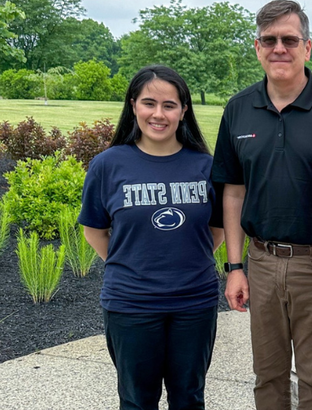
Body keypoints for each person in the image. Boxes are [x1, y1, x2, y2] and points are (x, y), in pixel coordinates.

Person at [210, 0, 312, 409]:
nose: (280, 48)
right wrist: (235, 267)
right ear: (257, 48)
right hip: (260, 261)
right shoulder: (239, 109)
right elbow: (233, 191)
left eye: (290, 39)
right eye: (270, 40)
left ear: (308, 47)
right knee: (268, 374)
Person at [78, 65, 224, 410]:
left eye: (169, 105)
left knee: (188, 399)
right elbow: (94, 230)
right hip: (130, 304)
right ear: (133, 106)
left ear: (183, 110)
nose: (159, 114)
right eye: (149, 103)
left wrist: (186, 259)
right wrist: (132, 263)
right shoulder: (107, 165)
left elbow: (217, 229)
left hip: (194, 303)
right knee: (137, 401)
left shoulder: (205, 165)